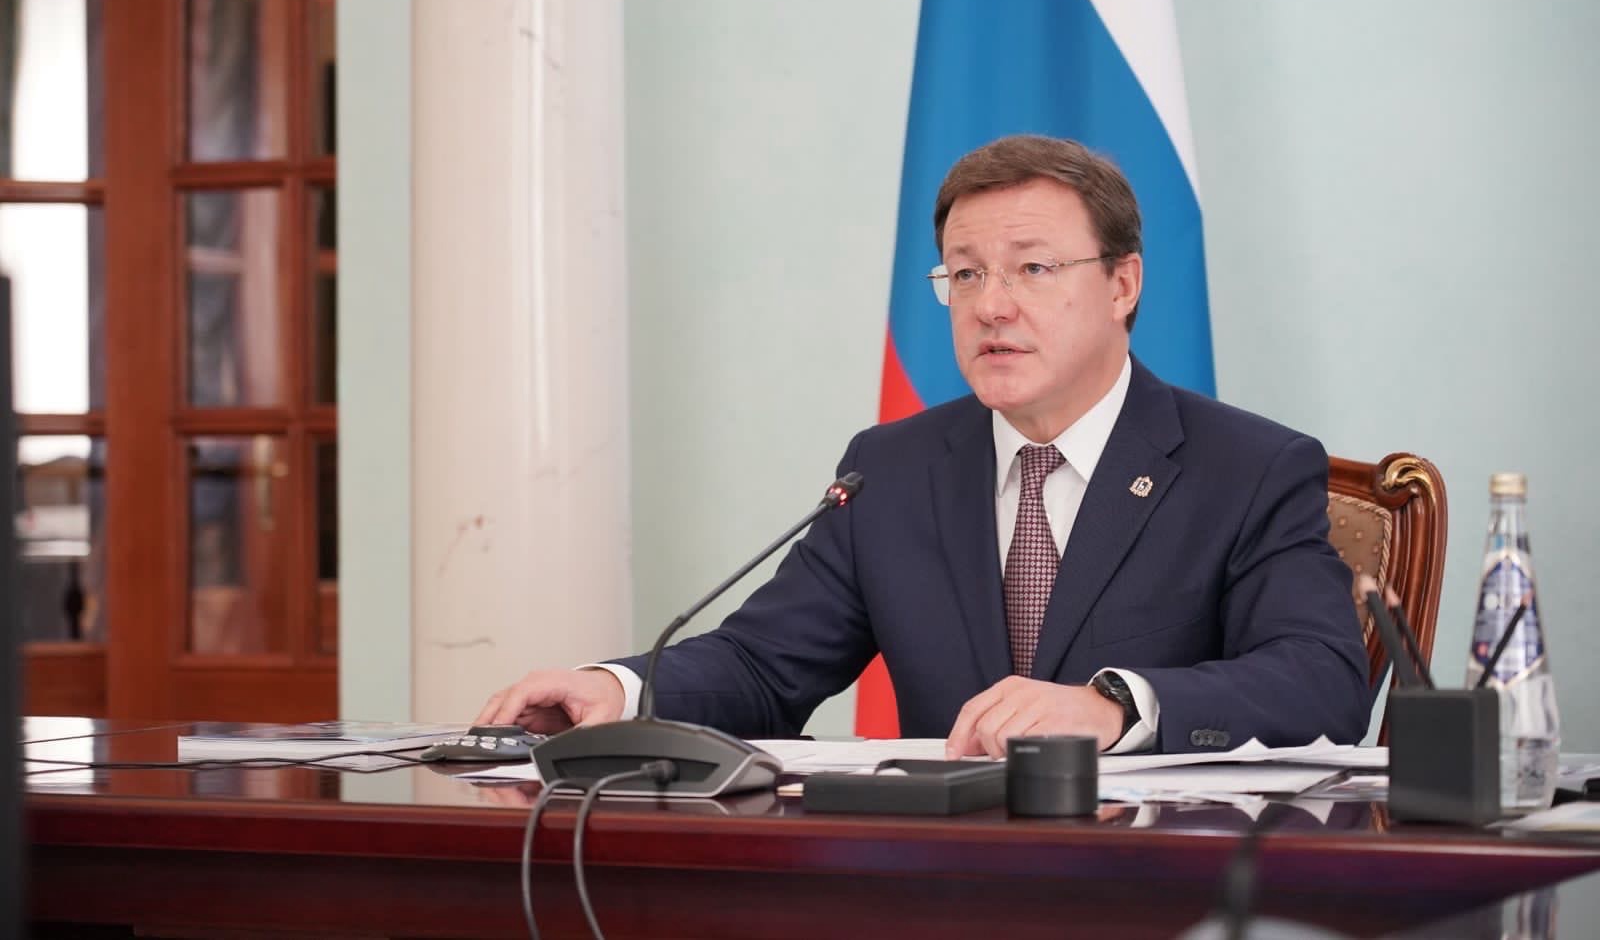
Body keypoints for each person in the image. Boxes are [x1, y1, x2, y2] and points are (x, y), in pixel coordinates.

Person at [477, 134, 1370, 757]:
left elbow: (1321, 679)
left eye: (1032, 268)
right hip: (942, 882)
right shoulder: (894, 470)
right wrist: (621, 691)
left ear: (1122, 285)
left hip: (1161, 887)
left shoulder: (1246, 469)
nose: (991, 305)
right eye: (966, 273)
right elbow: (763, 664)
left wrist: (1114, 707)